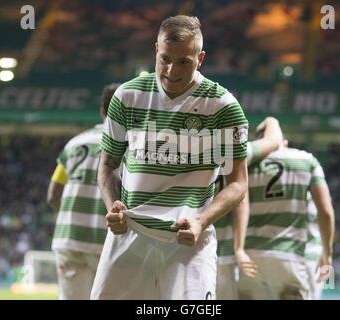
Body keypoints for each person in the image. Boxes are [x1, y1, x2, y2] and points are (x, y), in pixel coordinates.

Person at [91, 15, 249, 300]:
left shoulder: (222, 106)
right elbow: (107, 164)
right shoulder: (128, 96)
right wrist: (111, 204)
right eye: (165, 59)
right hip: (130, 234)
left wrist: (201, 221)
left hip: (187, 243)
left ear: (200, 58)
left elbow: (238, 184)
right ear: (155, 50)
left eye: (184, 62)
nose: (171, 70)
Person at [235, 134, 335, 300]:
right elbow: (325, 211)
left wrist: (238, 249)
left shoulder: (248, 165)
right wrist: (328, 253)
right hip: (299, 257)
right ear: (284, 143)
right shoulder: (305, 162)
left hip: (252, 256)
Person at [47, 83, 120, 300]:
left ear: (102, 111)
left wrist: (70, 221)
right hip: (106, 239)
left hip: (68, 239)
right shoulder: (130, 145)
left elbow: (53, 195)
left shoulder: (75, 143)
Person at [215, 117, 283, 299]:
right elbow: (274, 140)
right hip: (223, 255)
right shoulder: (236, 152)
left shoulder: (181, 153)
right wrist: (270, 121)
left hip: (181, 249)